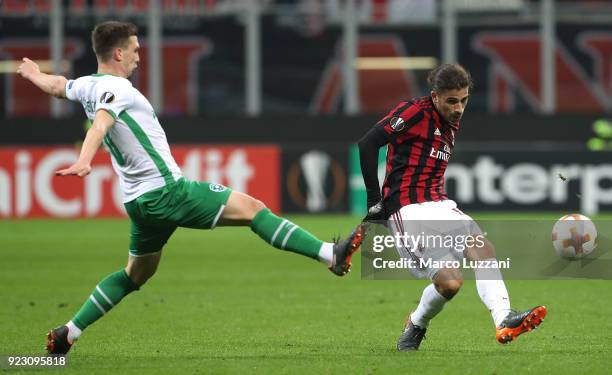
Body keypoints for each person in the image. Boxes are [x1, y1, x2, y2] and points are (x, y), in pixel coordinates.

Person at [17, 20, 364, 355]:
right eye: (135, 49)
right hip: (167, 192)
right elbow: (101, 125)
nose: (140, 55)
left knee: (134, 275)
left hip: (139, 203)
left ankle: (69, 333)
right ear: (118, 53)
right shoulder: (116, 88)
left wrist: (33, 74)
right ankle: (329, 255)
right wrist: (84, 159)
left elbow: (58, 85)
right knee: (253, 210)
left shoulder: (87, 85)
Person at [357, 63, 547, 351]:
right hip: (407, 209)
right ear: (435, 96)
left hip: (441, 204)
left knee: (483, 248)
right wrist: (374, 201)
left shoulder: (449, 120)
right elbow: (368, 142)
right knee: (450, 284)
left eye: (464, 100)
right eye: (452, 101)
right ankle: (416, 323)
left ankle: (504, 318)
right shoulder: (416, 112)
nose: (459, 108)